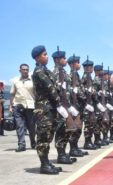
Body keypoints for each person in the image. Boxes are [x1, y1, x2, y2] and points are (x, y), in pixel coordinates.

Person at [31, 45, 67, 174]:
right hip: (44, 109)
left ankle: (46, 162)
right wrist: (59, 104)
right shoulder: (39, 71)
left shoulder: (47, 71)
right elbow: (50, 88)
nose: (47, 57)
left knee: (49, 136)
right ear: (37, 57)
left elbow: (56, 86)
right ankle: (44, 165)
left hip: (50, 109)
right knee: (43, 138)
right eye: (44, 54)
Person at [52, 50, 77, 164]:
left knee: (66, 130)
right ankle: (61, 155)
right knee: (61, 130)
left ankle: (64, 153)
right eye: (64, 58)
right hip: (61, 107)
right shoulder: (56, 73)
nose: (65, 60)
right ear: (58, 60)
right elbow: (55, 91)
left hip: (67, 105)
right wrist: (59, 106)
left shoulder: (64, 72)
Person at [9, 64, 36, 152]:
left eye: (27, 69)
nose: (25, 71)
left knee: (31, 126)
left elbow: (36, 94)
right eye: (23, 69)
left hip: (30, 106)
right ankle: (21, 145)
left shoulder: (33, 80)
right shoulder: (15, 81)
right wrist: (10, 106)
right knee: (19, 126)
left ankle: (33, 142)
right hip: (18, 106)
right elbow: (12, 94)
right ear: (20, 70)